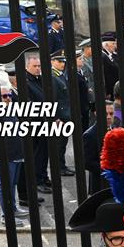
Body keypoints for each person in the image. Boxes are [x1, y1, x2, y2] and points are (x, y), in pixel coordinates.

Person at [0, 87, 27, 227]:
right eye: (4, 96)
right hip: (5, 156)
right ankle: (6, 216)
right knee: (5, 186)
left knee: (12, 184)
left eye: (9, 95)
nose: (8, 98)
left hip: (16, 154)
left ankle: (13, 208)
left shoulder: (12, 109)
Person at [23, 54, 53, 196]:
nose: (37, 69)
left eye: (39, 66)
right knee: (37, 154)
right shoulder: (26, 82)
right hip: (35, 124)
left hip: (44, 122)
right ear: (27, 67)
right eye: (34, 66)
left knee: (44, 152)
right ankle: (37, 181)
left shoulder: (39, 79)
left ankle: (43, 176)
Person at [84, 101, 117, 195]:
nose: (108, 117)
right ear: (96, 114)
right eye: (105, 114)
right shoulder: (90, 135)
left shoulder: (115, 129)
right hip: (99, 184)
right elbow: (87, 162)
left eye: (111, 114)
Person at [50, 49, 74, 177]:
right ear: (52, 61)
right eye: (59, 61)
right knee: (59, 144)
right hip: (60, 117)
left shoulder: (59, 74)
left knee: (62, 143)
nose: (62, 64)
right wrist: (56, 118)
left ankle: (62, 165)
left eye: (63, 62)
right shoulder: (52, 77)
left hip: (65, 115)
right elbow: (52, 99)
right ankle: (59, 168)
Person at [101, 32, 119, 101]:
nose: (115, 46)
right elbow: (106, 75)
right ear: (106, 45)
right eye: (113, 44)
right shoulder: (103, 56)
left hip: (115, 88)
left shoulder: (111, 55)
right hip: (110, 90)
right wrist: (107, 91)